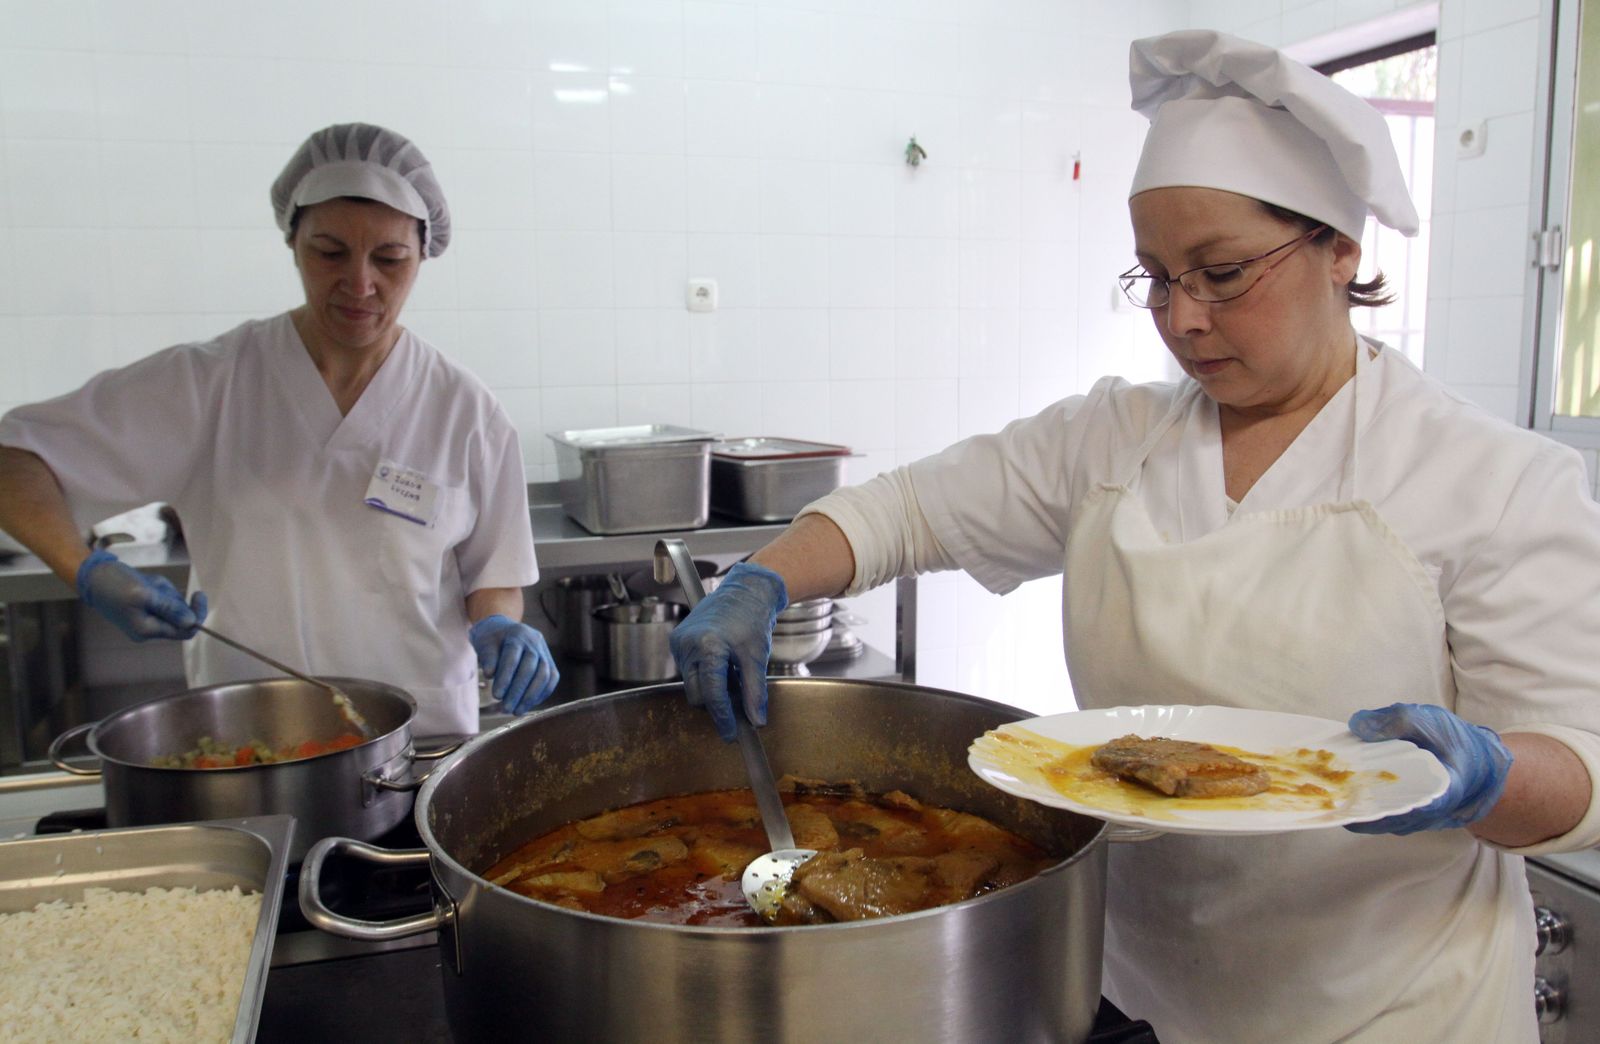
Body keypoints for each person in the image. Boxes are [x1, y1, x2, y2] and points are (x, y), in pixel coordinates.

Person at [668, 30, 1600, 1042]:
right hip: (1135, 988)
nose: (1182, 319)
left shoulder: (1494, 479)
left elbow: (1580, 774)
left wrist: (1487, 777)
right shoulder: (1113, 437)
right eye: (1155, 276)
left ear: (1340, 250)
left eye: (1222, 273)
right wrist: (763, 579)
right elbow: (907, 511)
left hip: (1396, 1008)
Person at [0, 123, 558, 737]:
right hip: (251, 744)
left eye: (389, 259)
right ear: (293, 242)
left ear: (423, 255)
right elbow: (14, 457)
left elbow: (494, 576)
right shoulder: (211, 384)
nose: (360, 283)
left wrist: (501, 624)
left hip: (421, 742)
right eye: (330, 253)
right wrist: (84, 569)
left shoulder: (466, 411)